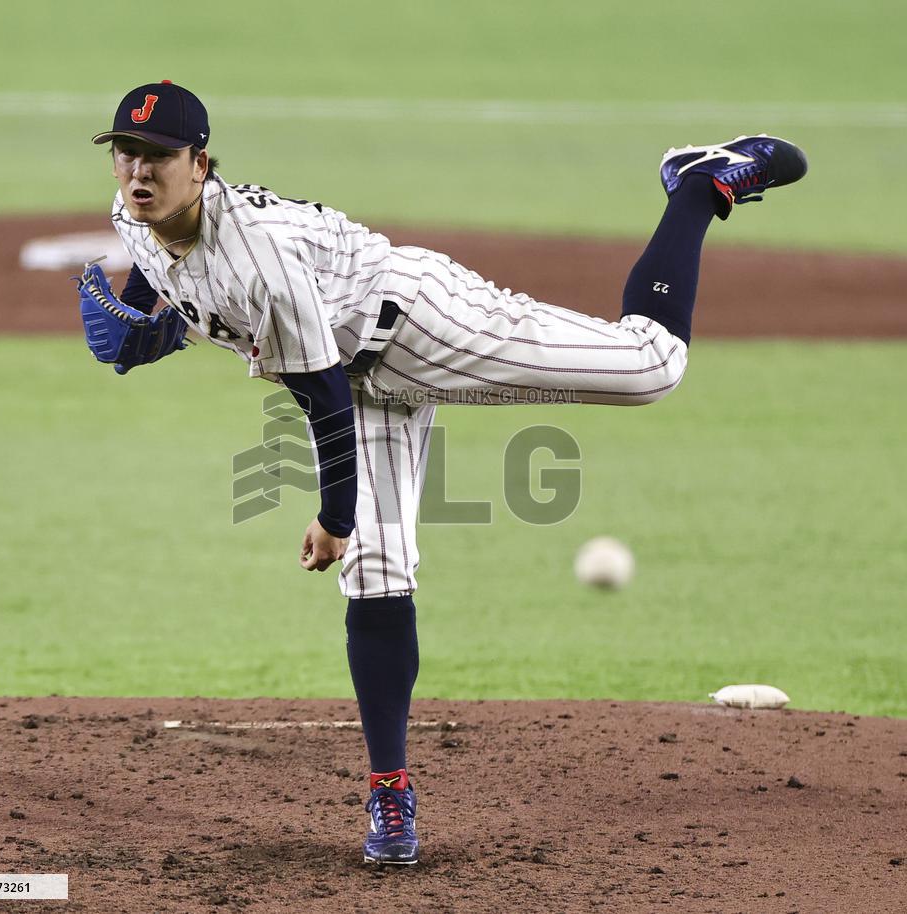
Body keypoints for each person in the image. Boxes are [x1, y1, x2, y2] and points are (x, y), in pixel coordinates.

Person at [81, 80, 807, 865]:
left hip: (421, 322)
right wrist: (142, 321)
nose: (138, 171)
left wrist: (335, 517)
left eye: (159, 157)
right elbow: (159, 274)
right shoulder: (136, 211)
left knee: (652, 368)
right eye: (127, 153)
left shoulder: (256, 256)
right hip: (355, 375)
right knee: (378, 573)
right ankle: (390, 796)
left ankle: (699, 182)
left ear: (202, 164)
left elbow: (320, 392)